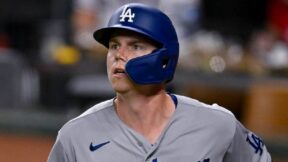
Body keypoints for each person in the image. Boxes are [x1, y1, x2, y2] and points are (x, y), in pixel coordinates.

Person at [47, 3, 272, 162]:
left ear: (165, 59)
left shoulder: (218, 125)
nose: (119, 54)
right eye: (114, 45)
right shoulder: (75, 136)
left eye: (135, 46)